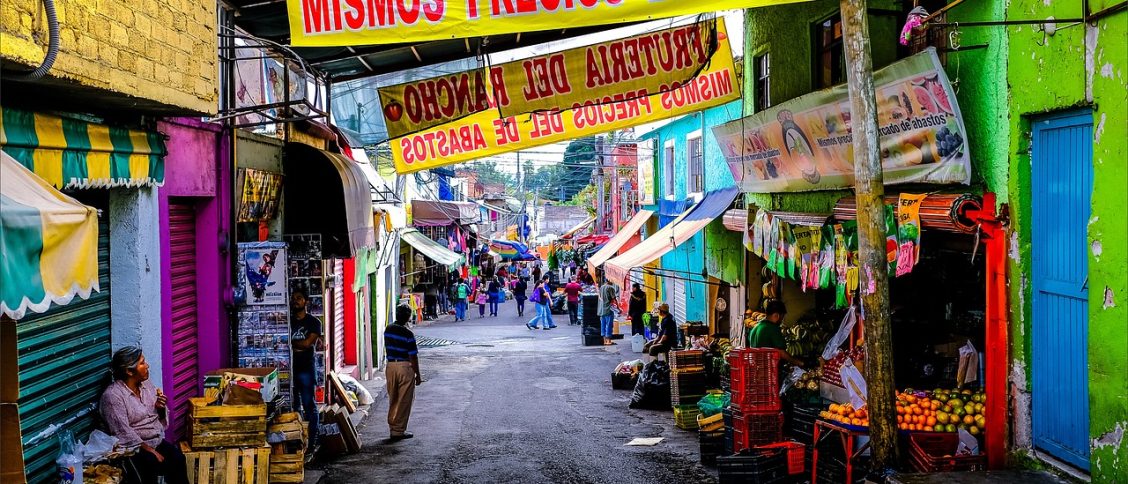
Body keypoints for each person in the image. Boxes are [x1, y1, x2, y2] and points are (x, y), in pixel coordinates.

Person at [100, 347, 188, 484]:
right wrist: (150, 451)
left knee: (178, 459)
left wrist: (160, 408)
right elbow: (122, 432)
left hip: (155, 441)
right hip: (133, 448)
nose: (147, 365)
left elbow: (159, 418)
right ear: (129, 371)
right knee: (151, 465)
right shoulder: (113, 396)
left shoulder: (146, 385)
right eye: (142, 363)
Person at [290, 289, 322, 448]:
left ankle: (313, 441)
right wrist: (297, 345)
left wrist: (290, 343)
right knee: (293, 407)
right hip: (290, 370)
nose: (295, 301)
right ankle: (298, 441)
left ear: (306, 302)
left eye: (299, 298)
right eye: (293, 298)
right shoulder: (287, 321)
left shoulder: (314, 322)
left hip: (306, 370)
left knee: (309, 405)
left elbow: (307, 344)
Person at [387, 304, 423, 440]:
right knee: (404, 400)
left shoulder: (388, 329)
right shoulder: (408, 333)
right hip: (404, 367)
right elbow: (413, 356)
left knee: (394, 398)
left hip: (390, 366)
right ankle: (398, 430)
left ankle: (392, 426)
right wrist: (418, 375)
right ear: (408, 317)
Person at [748, 299, 804, 367]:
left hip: (755, 368)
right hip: (768, 370)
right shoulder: (772, 328)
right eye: (782, 317)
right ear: (777, 315)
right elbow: (781, 352)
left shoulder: (755, 327)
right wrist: (798, 362)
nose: (782, 321)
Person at [597, 276, 620, 345]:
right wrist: (618, 308)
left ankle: (604, 340)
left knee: (603, 325)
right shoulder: (611, 288)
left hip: (601, 309)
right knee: (609, 325)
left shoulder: (602, 287)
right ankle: (608, 341)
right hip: (608, 309)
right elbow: (614, 299)